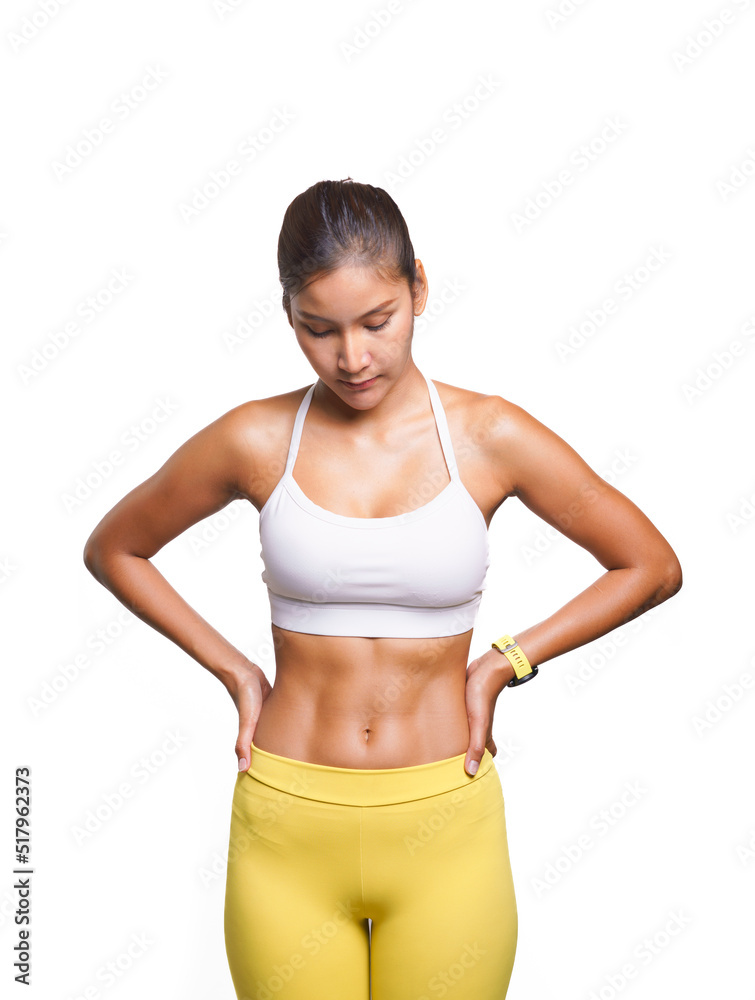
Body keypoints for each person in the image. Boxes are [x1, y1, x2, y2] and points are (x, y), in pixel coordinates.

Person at [83, 177, 683, 999]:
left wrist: (505, 661)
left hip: (444, 825)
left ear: (419, 289)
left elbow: (648, 565)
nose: (352, 358)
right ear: (288, 315)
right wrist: (234, 672)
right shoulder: (255, 437)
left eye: (377, 322)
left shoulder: (488, 436)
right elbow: (116, 548)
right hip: (287, 824)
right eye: (318, 329)